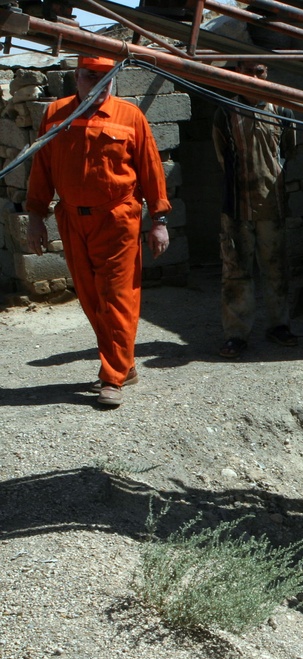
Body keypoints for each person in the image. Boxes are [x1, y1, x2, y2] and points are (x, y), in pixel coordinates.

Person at [26, 55, 170, 408]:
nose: (98, 82)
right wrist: (34, 217)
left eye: (107, 77)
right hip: (72, 219)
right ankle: (125, 364)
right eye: (91, 75)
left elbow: (151, 168)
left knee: (118, 297)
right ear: (76, 76)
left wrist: (159, 221)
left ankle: (113, 378)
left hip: (117, 218)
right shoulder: (55, 114)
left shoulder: (129, 116)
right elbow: (42, 168)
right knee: (91, 299)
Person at [212, 59, 297, 359]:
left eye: (259, 71)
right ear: (236, 74)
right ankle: (236, 334)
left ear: (267, 73)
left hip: (272, 206)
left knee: (276, 269)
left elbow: (288, 150)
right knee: (236, 273)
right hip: (236, 206)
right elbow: (222, 156)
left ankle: (279, 326)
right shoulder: (225, 112)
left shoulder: (282, 111)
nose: (252, 77)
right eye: (246, 71)